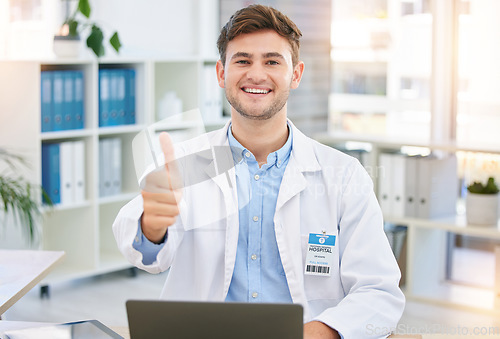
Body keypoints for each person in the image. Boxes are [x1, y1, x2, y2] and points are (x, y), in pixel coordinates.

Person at [113, 4, 405, 338]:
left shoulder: (343, 176)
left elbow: (379, 292)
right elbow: (145, 255)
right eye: (242, 61)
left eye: (272, 61)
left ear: (295, 74)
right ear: (222, 74)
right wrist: (152, 226)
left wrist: (320, 332)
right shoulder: (188, 162)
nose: (256, 74)